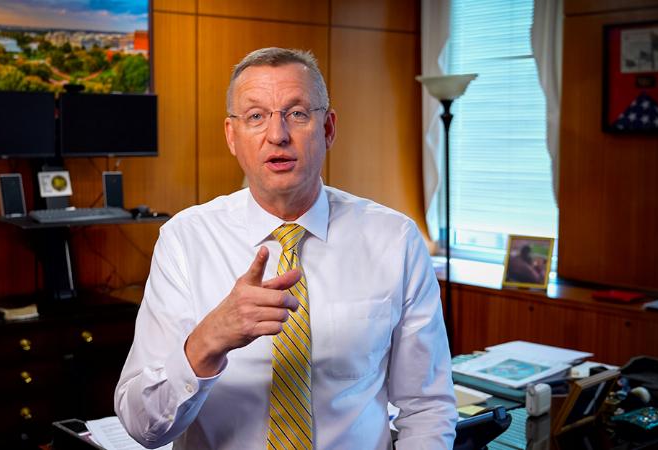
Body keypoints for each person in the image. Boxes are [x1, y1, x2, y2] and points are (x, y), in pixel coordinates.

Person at [115, 47, 457, 449]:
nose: (277, 135)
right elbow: (142, 426)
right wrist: (208, 340)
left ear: (328, 128)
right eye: (256, 116)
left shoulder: (394, 240)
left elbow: (427, 407)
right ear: (232, 136)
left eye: (296, 114)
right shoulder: (184, 241)